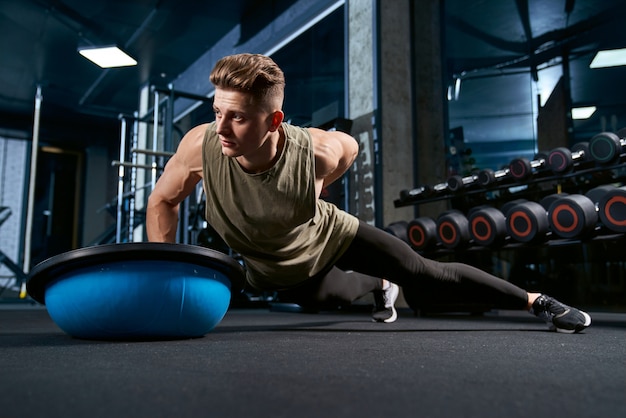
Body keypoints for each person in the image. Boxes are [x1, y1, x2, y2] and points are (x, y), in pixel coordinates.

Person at [146, 53, 591, 333]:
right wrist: (163, 280)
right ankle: (378, 283)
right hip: (271, 266)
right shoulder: (199, 147)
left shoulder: (315, 151)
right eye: (217, 111)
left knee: (425, 274)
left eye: (238, 118)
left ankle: (538, 303)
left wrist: (312, 189)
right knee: (323, 302)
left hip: (328, 235)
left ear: (274, 120)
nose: (220, 128)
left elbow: (351, 147)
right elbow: (161, 201)